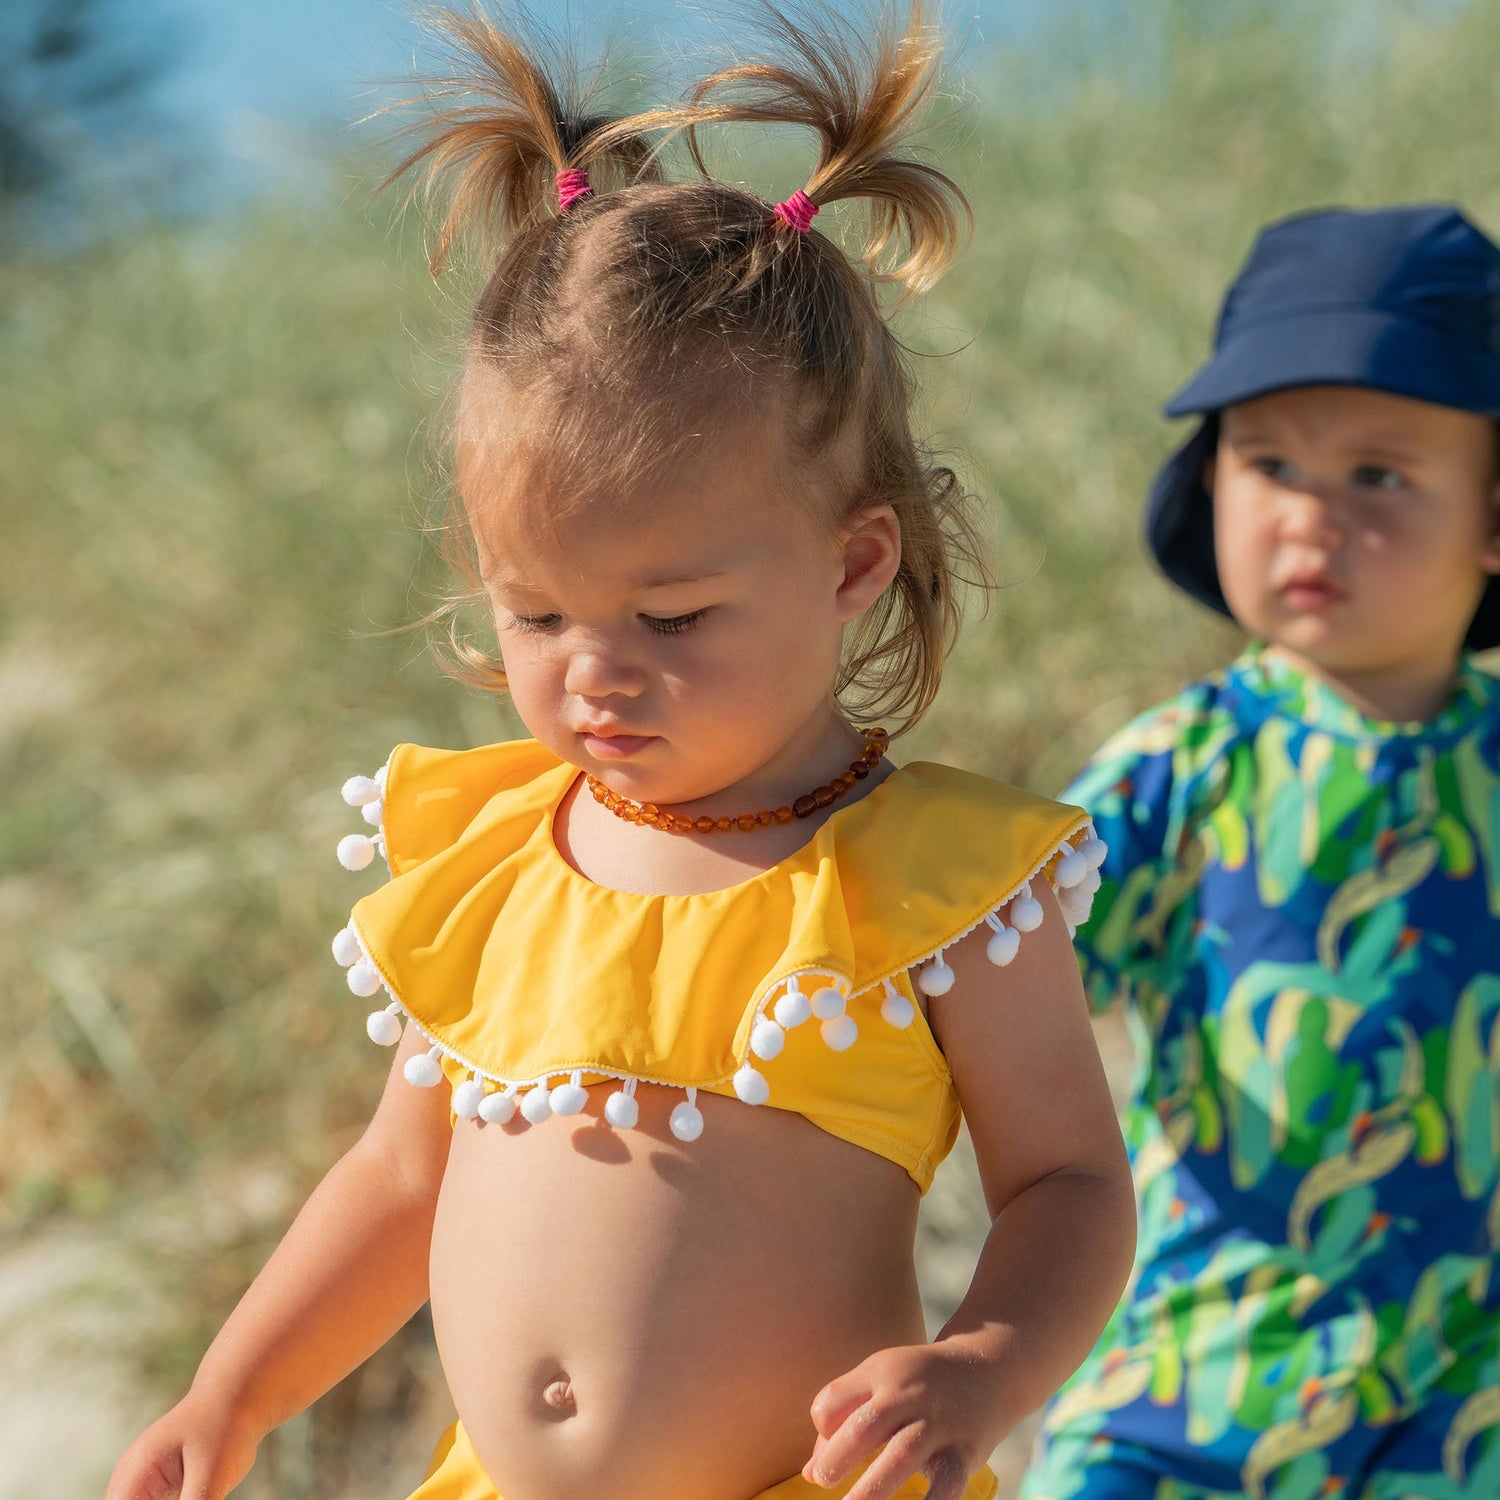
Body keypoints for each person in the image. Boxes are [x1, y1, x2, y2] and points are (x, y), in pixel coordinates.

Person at [106, 7, 1136, 1500]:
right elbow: (401, 1184)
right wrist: (234, 1391)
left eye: (670, 612)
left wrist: (983, 1366)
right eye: (536, 611)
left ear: (853, 565)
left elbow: (1069, 1184)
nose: (595, 670)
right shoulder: (499, 861)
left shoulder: (924, 885)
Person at [1022, 202, 1500, 1500]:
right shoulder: (1187, 766)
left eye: (1379, 476)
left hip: (1462, 1416)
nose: (1309, 517)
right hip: (1195, 1389)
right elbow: (1005, 970)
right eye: (1269, 464)